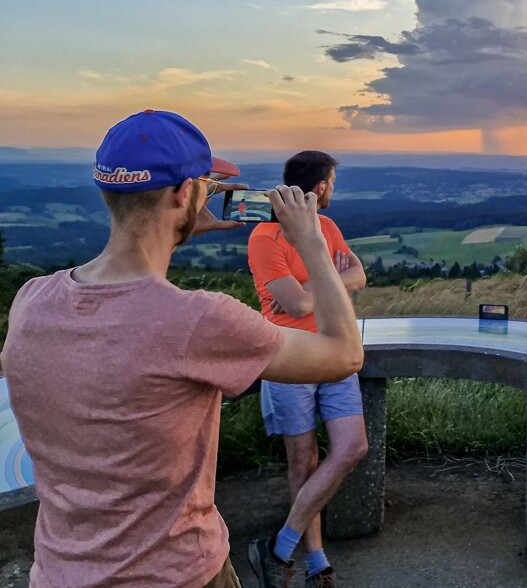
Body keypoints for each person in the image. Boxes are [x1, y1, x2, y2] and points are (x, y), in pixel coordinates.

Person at [0, 110, 363, 588]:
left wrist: (178, 228)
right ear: (183, 193)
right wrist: (311, 241)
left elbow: (127, 308)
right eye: (209, 187)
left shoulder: (32, 301)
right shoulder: (200, 320)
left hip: (59, 572)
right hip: (176, 572)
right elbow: (343, 354)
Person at [246, 151, 367, 588]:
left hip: (335, 348)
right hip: (289, 356)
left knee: (352, 448)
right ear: (320, 187)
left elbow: (358, 276)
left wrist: (306, 290)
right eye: (332, 181)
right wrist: (329, 284)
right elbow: (297, 306)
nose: (333, 189)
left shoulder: (327, 227)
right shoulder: (264, 237)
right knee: (303, 460)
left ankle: (279, 547)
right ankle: (315, 559)